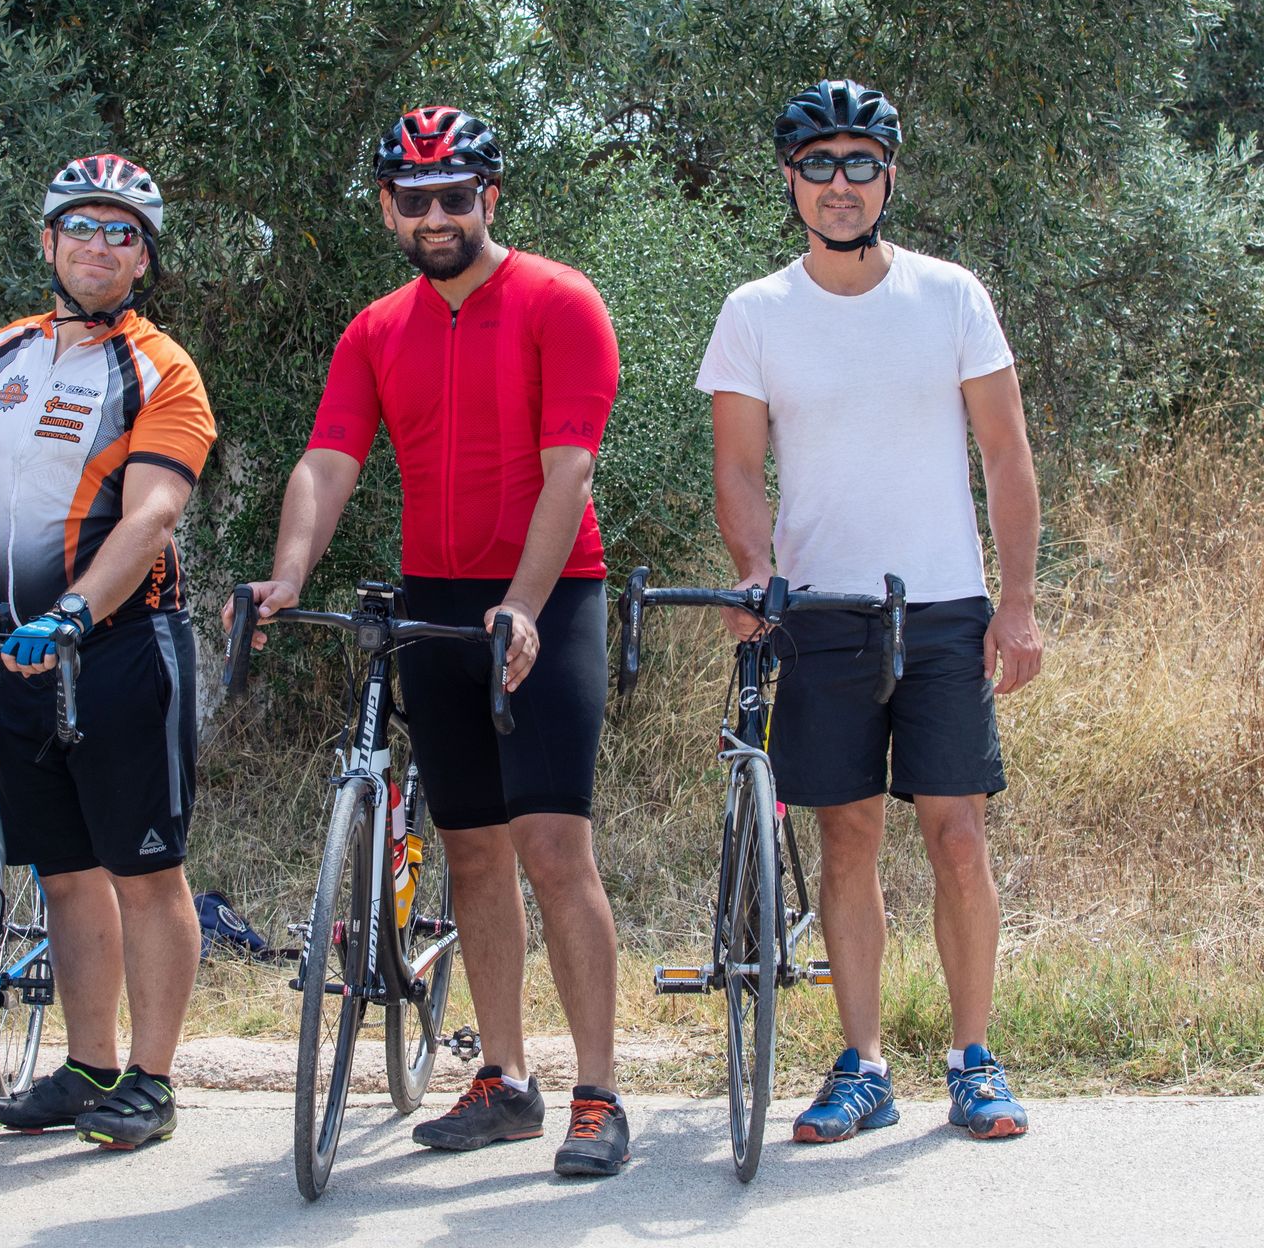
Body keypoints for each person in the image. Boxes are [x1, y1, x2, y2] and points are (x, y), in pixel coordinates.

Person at [228, 107, 630, 1177]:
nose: (438, 214)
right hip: (433, 600)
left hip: (552, 591)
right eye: (417, 199)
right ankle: (504, 1075)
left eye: (458, 195)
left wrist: (528, 605)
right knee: (471, 850)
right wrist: (289, 573)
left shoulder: (560, 300)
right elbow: (327, 460)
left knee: (553, 843)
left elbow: (570, 471)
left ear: (490, 198)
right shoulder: (375, 327)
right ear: (387, 209)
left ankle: (598, 1090)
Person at [698, 78, 1043, 1143]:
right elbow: (740, 466)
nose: (838, 184)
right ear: (790, 181)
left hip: (942, 605)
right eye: (818, 165)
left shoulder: (949, 295)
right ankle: (865, 1062)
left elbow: (1005, 453)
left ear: (888, 173)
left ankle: (973, 1058)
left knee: (958, 836)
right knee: (846, 837)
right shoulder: (756, 311)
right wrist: (755, 568)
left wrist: (1018, 603)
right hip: (823, 609)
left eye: (859, 163)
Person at [0, 154, 217, 1151]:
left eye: (122, 232)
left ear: (144, 256)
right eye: (82, 227)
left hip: (122, 647)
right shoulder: (2, 352)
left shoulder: (163, 366)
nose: (100, 247)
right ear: (48, 242)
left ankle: (151, 1079)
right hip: (19, 650)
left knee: (145, 870)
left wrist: (70, 611)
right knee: (66, 872)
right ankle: (87, 1065)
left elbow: (153, 511)